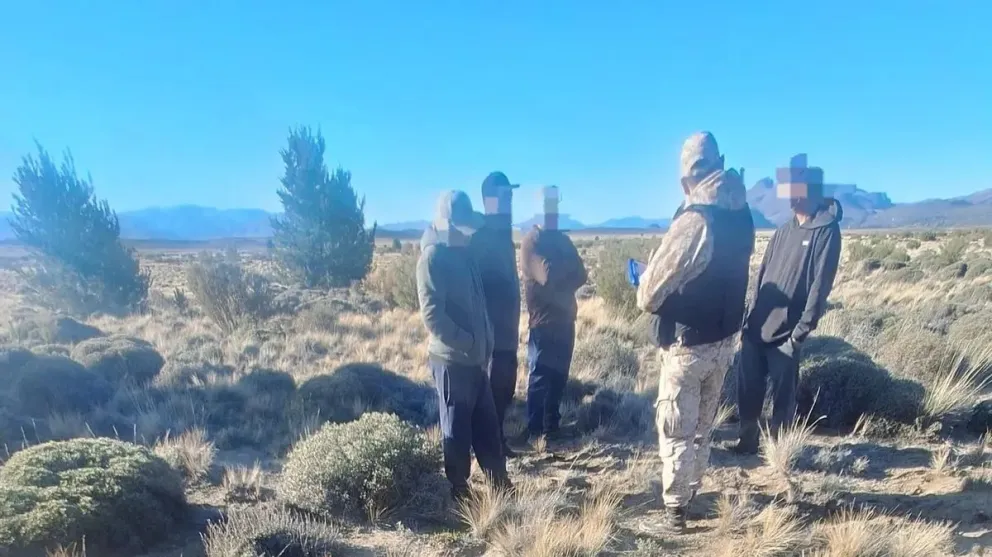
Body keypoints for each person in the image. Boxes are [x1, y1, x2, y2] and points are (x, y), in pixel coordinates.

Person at [635, 131, 756, 532]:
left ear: (686, 178)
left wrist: (645, 277)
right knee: (702, 427)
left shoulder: (695, 220)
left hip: (687, 346)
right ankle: (690, 495)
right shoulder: (742, 212)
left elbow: (648, 295)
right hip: (723, 342)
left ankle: (675, 511)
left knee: (676, 428)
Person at [734, 154, 843, 455]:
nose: (790, 197)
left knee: (783, 398)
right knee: (748, 388)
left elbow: (820, 287)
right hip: (757, 327)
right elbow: (762, 275)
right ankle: (746, 441)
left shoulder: (826, 231)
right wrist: (749, 319)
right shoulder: (784, 231)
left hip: (787, 333)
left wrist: (799, 333)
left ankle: (779, 452)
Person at [416, 190, 511, 502]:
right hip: (451, 361)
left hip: (476, 359)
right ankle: (459, 491)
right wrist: (468, 342)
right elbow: (433, 316)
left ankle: (500, 482)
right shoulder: (432, 258)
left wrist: (486, 339)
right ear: (446, 224)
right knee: (456, 430)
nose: (468, 233)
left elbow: (478, 302)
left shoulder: (465, 253)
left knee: (487, 426)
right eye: (462, 228)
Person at [518, 186, 588, 444]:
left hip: (566, 319)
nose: (552, 212)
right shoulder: (532, 242)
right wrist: (566, 267)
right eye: (548, 206)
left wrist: (562, 270)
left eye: (554, 206)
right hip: (543, 322)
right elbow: (546, 275)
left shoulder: (561, 240)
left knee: (559, 377)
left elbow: (582, 274)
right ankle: (535, 430)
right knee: (540, 377)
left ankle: (551, 426)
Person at [470, 171, 523, 457]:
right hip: (491, 335)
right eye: (505, 195)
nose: (510, 200)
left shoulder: (504, 237)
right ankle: (488, 450)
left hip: (508, 333)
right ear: (490, 200)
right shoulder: (481, 240)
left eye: (511, 195)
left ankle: (498, 441)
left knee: (504, 390)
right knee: (491, 392)